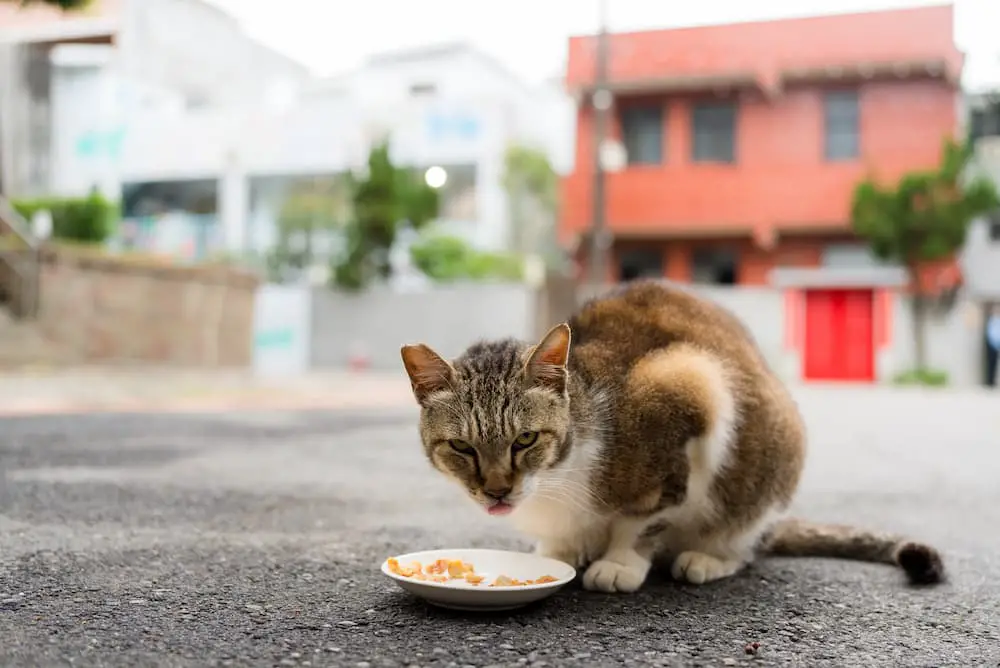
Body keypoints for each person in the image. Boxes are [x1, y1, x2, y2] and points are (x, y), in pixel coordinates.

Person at [987, 305, 1000, 388]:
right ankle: (990, 381)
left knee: (997, 365)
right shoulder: (991, 321)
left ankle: (995, 381)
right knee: (991, 364)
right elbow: (990, 334)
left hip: (998, 344)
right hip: (992, 346)